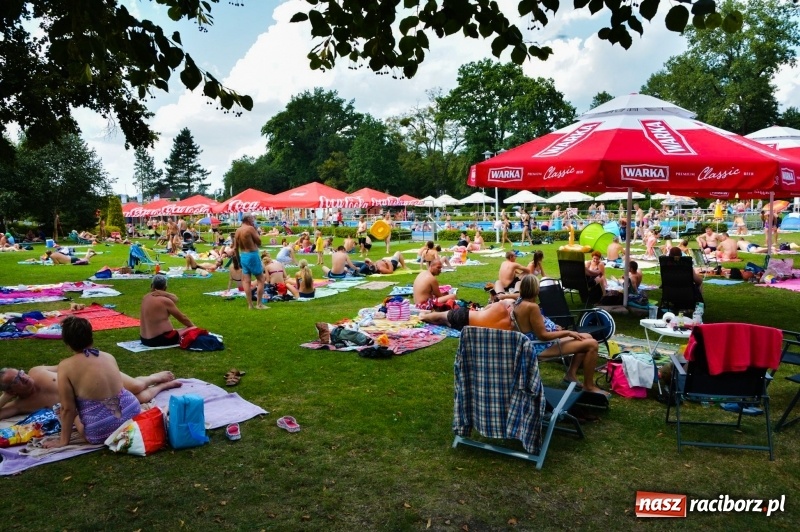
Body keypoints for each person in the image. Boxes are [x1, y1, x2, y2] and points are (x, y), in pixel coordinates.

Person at [42, 317, 142, 447]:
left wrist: (63, 441)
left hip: (103, 427)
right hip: (132, 412)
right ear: (91, 336)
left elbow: (68, 409)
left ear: (67, 343)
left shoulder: (66, 367)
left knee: (69, 414)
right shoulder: (108, 356)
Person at [511, 275, 608, 395]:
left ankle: (570, 375)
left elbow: (533, 327)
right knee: (592, 344)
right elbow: (543, 336)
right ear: (535, 289)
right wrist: (567, 332)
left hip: (534, 344)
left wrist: (553, 328)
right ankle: (588, 386)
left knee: (586, 336)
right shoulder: (532, 307)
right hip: (540, 347)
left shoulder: (519, 303)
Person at [0, 365, 181, 421]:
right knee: (137, 399)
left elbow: (69, 364)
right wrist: (4, 398)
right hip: (93, 402)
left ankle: (151, 378)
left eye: (20, 373)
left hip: (94, 378)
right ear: (10, 391)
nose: (23, 378)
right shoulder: (20, 405)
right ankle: (162, 387)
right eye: (17, 380)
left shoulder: (37, 372)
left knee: (136, 387)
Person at [140, 275, 197, 346]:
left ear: (151, 285)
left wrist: (162, 293)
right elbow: (183, 318)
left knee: (182, 330)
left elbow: (175, 299)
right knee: (193, 328)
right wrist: (192, 326)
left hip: (144, 339)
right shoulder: (165, 301)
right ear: (165, 287)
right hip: (160, 339)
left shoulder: (145, 297)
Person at [234, 214, 266, 309]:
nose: (253, 221)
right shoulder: (250, 229)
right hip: (252, 254)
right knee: (261, 279)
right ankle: (259, 304)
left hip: (243, 256)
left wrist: (239, 261)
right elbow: (259, 242)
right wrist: (256, 230)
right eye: (252, 219)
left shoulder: (237, 231)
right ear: (248, 219)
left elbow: (235, 248)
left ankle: (250, 305)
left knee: (246, 281)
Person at [420, 299, 515, 331]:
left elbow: (485, 309)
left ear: (508, 306)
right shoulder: (509, 327)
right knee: (444, 322)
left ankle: (423, 316)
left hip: (464, 316)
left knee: (441, 316)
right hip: (467, 329)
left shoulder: (499, 307)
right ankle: (429, 316)